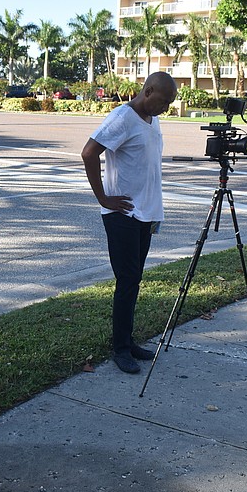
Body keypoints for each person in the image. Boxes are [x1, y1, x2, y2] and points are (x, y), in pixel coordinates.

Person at [81, 72, 178, 374]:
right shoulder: (122, 118)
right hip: (122, 214)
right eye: (164, 101)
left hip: (144, 214)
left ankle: (128, 341)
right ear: (148, 91)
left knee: (133, 280)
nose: (166, 108)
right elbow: (88, 153)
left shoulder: (152, 119)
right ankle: (121, 349)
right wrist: (103, 198)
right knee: (127, 281)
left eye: (169, 104)